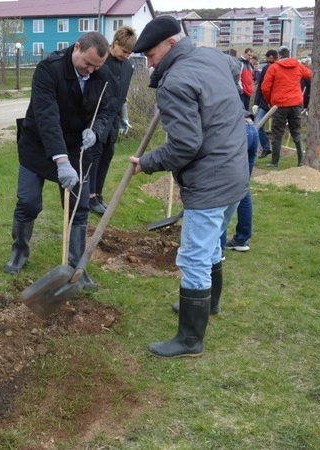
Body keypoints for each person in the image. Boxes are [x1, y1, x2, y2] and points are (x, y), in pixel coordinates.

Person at [128, 16, 248, 358]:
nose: (149, 65)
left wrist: (147, 162)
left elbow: (185, 145)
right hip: (234, 172)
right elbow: (237, 69)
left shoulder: (175, 82)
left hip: (209, 180)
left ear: (170, 44)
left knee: (194, 256)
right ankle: (208, 306)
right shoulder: (212, 57)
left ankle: (190, 340)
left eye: (150, 56)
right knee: (211, 247)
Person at [3, 32, 112, 291]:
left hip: (77, 147)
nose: (91, 71)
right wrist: (61, 160)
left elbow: (106, 110)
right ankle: (19, 251)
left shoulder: (101, 76)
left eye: (97, 66)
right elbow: (46, 116)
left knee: (79, 206)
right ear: (77, 48)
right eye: (87, 63)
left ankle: (77, 266)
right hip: (38, 145)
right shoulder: (48, 69)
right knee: (28, 202)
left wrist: (95, 131)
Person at [89, 25, 137, 215]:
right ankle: (90, 196)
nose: (126, 55)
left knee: (107, 155)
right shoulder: (101, 62)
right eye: (124, 51)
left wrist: (124, 117)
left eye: (129, 53)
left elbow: (123, 95)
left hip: (114, 121)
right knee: (94, 156)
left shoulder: (128, 67)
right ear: (115, 43)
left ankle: (98, 194)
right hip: (97, 118)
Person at [261, 45, 311, 168]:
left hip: (279, 104)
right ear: (289, 54)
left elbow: (265, 87)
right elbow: (310, 75)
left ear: (278, 55)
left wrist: (270, 101)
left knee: (277, 133)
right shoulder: (298, 66)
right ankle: (301, 161)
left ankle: (275, 162)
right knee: (296, 132)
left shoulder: (274, 68)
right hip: (295, 103)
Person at [222, 111, 260, 253]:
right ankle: (241, 239)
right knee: (242, 187)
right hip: (250, 126)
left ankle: (218, 250)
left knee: (223, 186)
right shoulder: (230, 89)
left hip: (235, 129)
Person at [255, 49, 277, 159]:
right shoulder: (265, 70)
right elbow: (260, 86)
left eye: (271, 63)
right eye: (267, 62)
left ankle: (276, 155)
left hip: (277, 104)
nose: (269, 65)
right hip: (264, 103)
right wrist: (256, 103)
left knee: (278, 129)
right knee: (257, 126)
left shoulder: (280, 70)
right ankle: (266, 148)